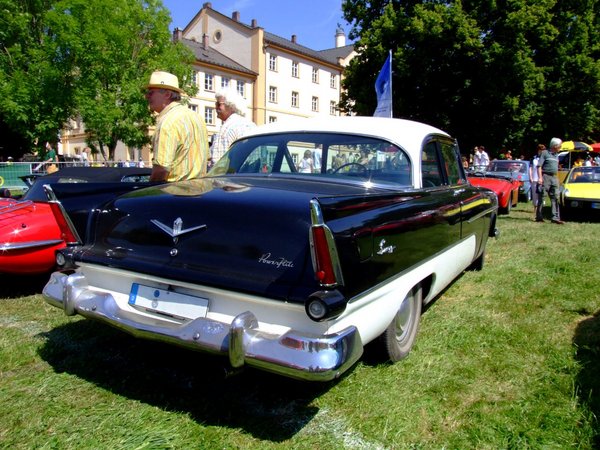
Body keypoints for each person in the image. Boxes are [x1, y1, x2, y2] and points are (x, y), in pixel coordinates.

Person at [145, 71, 209, 182]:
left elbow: (161, 169)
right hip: (200, 192)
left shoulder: (167, 122)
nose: (147, 96)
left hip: (174, 193)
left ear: (167, 94)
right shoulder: (197, 118)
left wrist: (149, 190)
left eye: (151, 93)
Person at [210, 86, 256, 165]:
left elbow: (217, 161)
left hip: (231, 175)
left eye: (218, 104)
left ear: (230, 106)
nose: (215, 107)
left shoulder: (227, 128)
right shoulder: (251, 125)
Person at [536, 137, 564, 224]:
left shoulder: (556, 155)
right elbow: (539, 166)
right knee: (542, 197)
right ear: (555, 145)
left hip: (554, 178)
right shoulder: (545, 153)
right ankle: (539, 217)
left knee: (555, 197)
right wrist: (540, 178)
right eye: (559, 145)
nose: (560, 147)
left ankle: (555, 218)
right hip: (545, 177)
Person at [529, 144, 544, 212]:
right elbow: (530, 168)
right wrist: (531, 177)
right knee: (535, 195)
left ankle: (541, 208)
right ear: (538, 150)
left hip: (543, 179)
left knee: (542, 194)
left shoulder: (545, 159)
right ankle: (535, 207)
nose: (542, 152)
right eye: (541, 150)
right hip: (534, 179)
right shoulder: (533, 158)